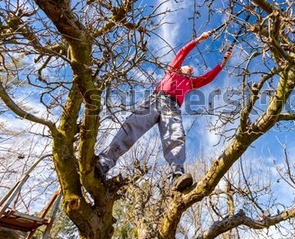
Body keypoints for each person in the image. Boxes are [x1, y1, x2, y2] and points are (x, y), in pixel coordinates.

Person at [95, 31, 233, 191]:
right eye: (188, 66)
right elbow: (182, 52)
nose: (191, 69)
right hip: (156, 99)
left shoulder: (190, 83)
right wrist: (198, 40)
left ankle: (176, 175)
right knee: (132, 126)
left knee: (175, 136)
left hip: (172, 107)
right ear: (181, 67)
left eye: (192, 70)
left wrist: (223, 63)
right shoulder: (173, 70)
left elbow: (208, 77)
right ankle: (104, 162)